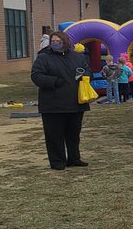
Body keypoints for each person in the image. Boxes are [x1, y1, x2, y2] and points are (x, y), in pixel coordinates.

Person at [30, 29, 91, 171]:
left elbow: (87, 70)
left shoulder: (77, 57)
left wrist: (84, 77)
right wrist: (54, 81)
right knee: (54, 135)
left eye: (58, 41)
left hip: (76, 103)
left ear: (65, 42)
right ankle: (57, 161)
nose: (55, 44)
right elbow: (36, 75)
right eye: (53, 42)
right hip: (53, 104)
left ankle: (74, 158)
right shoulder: (43, 58)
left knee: (74, 134)